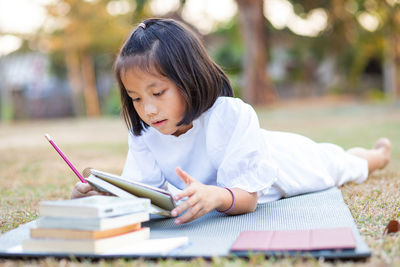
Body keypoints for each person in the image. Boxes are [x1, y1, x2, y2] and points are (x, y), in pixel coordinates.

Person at [71, 18, 392, 225]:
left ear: (190, 78)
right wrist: (104, 196)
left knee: (339, 163)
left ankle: (377, 156)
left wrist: (216, 196)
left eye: (157, 92)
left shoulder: (232, 116)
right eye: (136, 98)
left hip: (282, 159)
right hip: (233, 173)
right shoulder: (144, 132)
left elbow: (248, 198)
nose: (148, 110)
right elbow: (144, 194)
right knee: (336, 159)